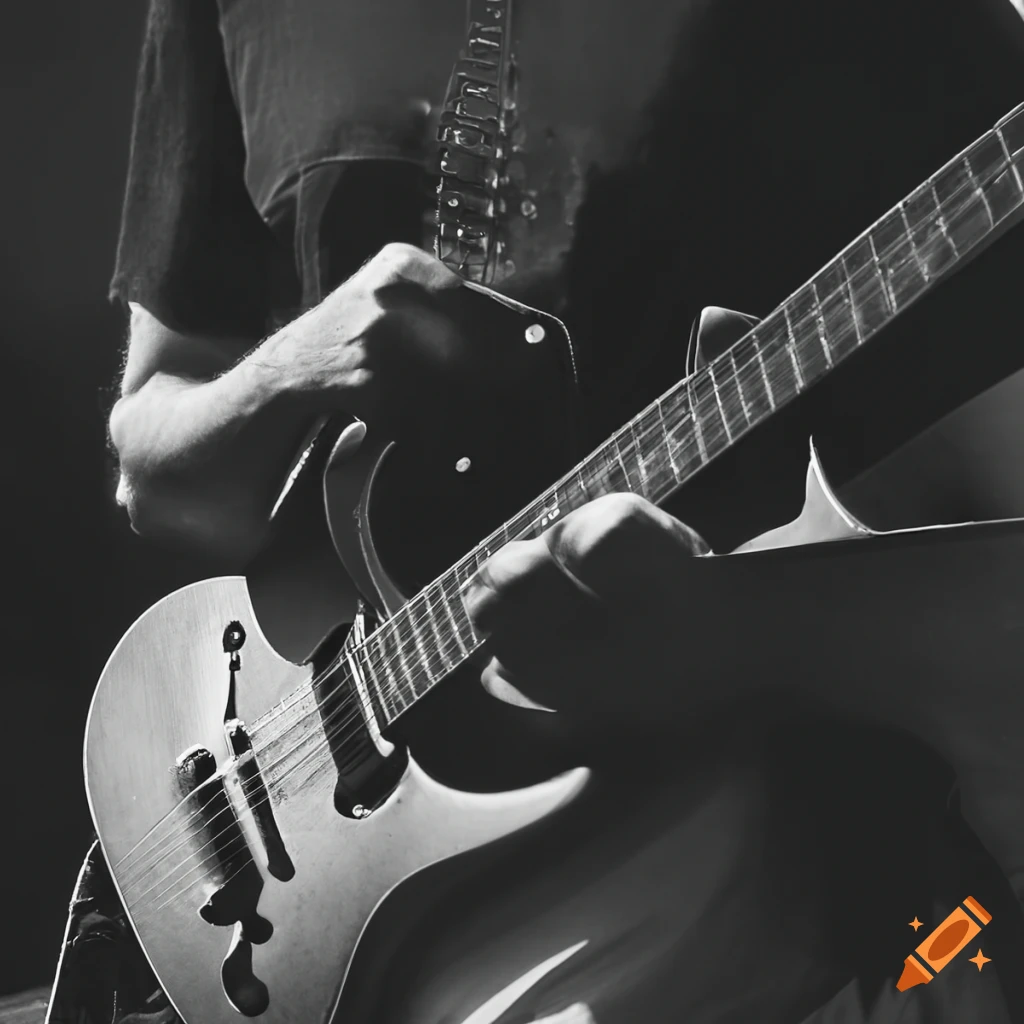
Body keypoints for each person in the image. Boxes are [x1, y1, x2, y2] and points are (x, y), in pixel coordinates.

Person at [50, 0, 1024, 1021]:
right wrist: (292, 369)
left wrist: (744, 631)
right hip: (309, 828)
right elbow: (157, 472)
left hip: (756, 890)